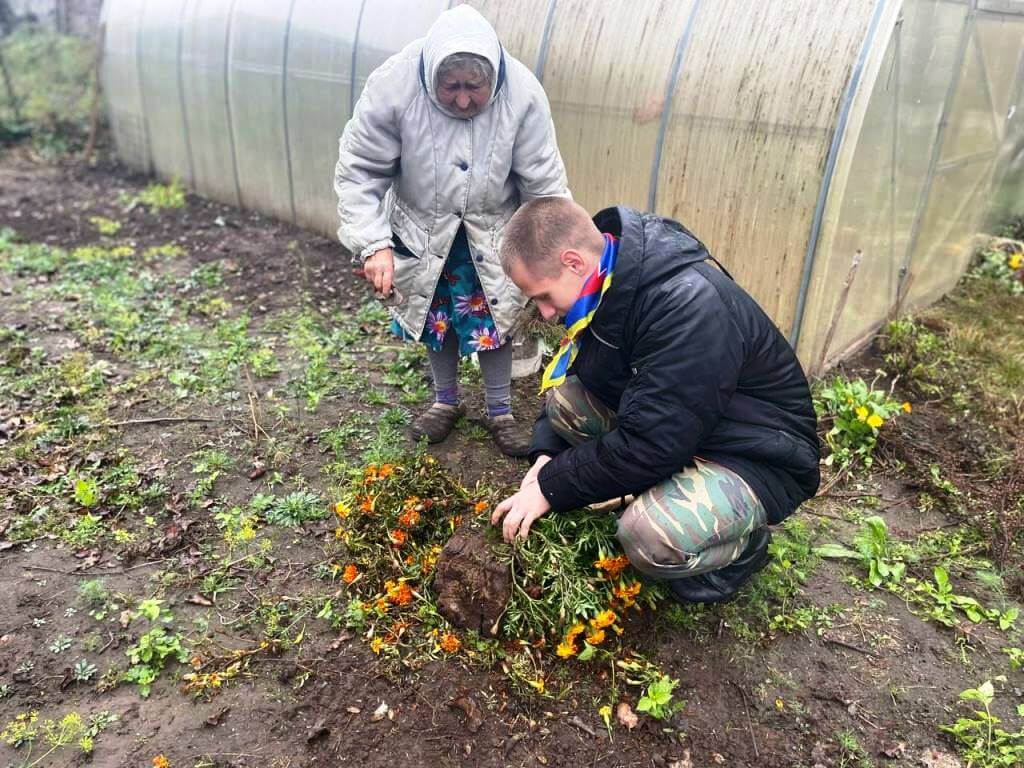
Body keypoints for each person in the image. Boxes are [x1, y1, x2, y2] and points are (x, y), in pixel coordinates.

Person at [491, 198, 820, 604]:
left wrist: (550, 488)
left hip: (753, 454)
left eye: (543, 296)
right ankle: (663, 486)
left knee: (647, 536)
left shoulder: (685, 305)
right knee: (564, 399)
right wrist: (547, 455)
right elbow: (581, 378)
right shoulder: (608, 286)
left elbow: (650, 444)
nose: (544, 314)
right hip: (690, 427)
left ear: (574, 262)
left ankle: (743, 550)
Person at [334, 5, 571, 457]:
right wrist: (374, 244)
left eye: (474, 88)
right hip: (424, 229)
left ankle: (500, 411)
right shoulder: (393, 87)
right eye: (452, 87)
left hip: (493, 231)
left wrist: (553, 255)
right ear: (430, 75)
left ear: (494, 78)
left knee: (494, 320)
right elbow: (359, 172)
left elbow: (544, 186)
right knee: (435, 316)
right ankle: (445, 402)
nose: (463, 100)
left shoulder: (522, 93)